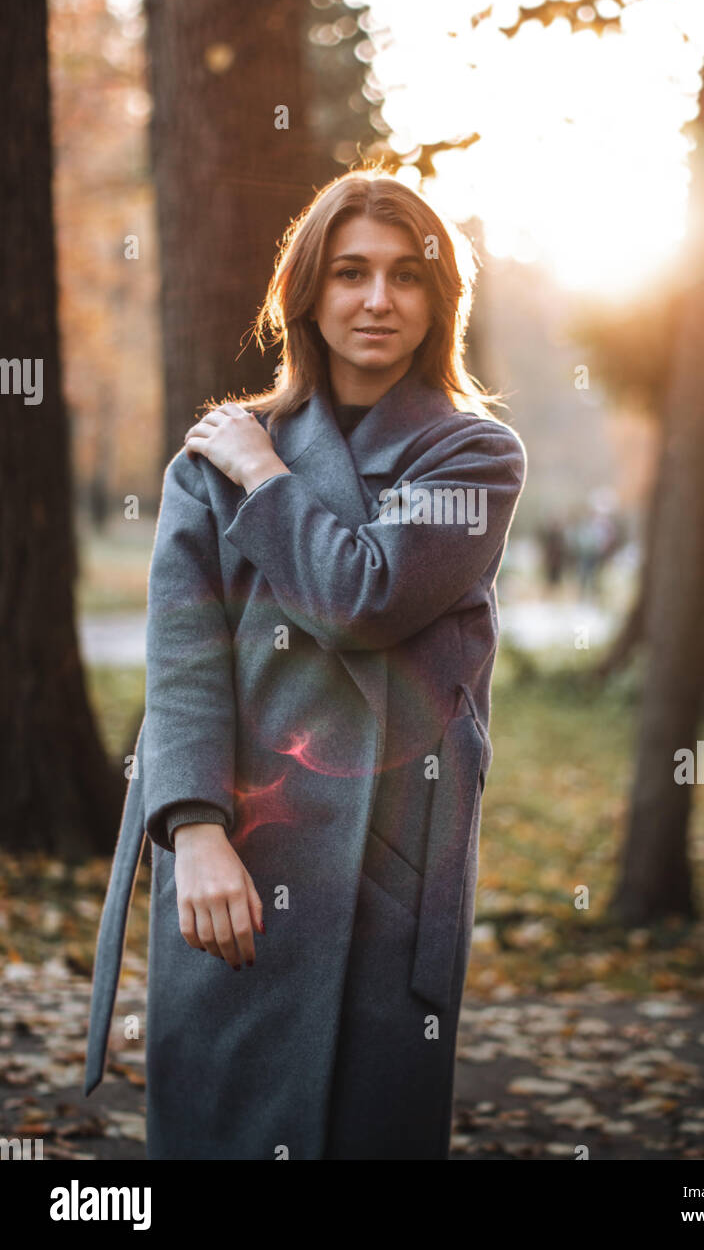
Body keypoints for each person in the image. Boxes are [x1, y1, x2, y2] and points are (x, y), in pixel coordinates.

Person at [84, 167, 527, 1160]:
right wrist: (191, 828)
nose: (376, 299)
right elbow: (185, 660)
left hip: (390, 869)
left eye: (405, 276)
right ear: (307, 294)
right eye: (349, 273)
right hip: (228, 860)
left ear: (437, 298)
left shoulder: (471, 456)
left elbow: (362, 599)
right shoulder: (211, 459)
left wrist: (266, 476)